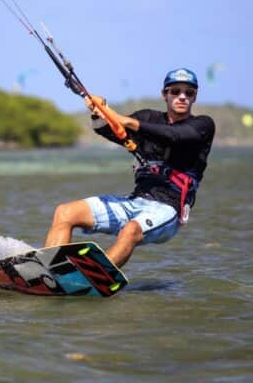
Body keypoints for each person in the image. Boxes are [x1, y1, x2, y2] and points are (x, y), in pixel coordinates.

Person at [44, 68, 215, 268]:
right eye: (175, 91)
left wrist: (129, 121)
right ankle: (49, 269)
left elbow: (175, 136)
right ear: (165, 95)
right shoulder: (147, 117)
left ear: (195, 97)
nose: (182, 96)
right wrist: (99, 112)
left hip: (168, 209)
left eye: (189, 92)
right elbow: (110, 130)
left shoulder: (203, 125)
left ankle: (96, 275)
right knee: (65, 212)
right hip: (134, 202)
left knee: (130, 230)